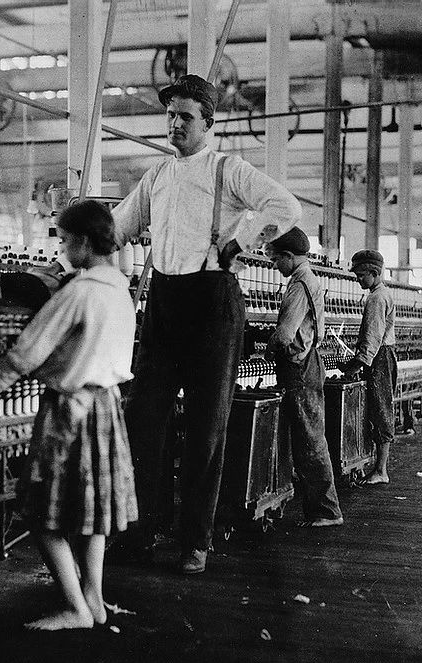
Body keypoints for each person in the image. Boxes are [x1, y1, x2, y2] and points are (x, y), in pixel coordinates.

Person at [110, 74, 302, 574]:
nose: (175, 124)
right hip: (164, 303)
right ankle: (140, 531)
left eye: (186, 116)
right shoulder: (155, 177)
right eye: (170, 115)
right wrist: (71, 216)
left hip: (213, 302)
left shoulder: (227, 170)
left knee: (206, 428)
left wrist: (241, 239)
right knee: (144, 421)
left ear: (208, 123)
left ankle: (195, 540)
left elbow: (286, 207)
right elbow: (119, 228)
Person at [0, 200, 137, 630]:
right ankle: (94, 600)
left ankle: (74, 609)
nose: (63, 249)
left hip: (70, 411)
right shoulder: (120, 289)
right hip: (106, 406)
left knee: (42, 512)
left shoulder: (79, 293)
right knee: (91, 513)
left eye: (66, 241)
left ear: (84, 242)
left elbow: (32, 346)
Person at [265, 227, 343, 527]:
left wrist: (265, 351)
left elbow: (285, 335)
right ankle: (321, 508)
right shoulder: (308, 280)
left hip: (299, 367)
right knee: (308, 436)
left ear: (288, 256)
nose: (275, 267)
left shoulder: (299, 285)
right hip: (308, 363)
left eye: (276, 261)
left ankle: (327, 510)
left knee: (310, 439)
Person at [339, 249, 397, 486]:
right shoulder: (381, 293)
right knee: (377, 410)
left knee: (381, 411)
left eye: (362, 275)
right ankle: (375, 467)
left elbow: (373, 339)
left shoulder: (376, 298)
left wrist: (354, 366)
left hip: (378, 359)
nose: (358, 279)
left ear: (374, 273)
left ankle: (381, 471)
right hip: (383, 357)